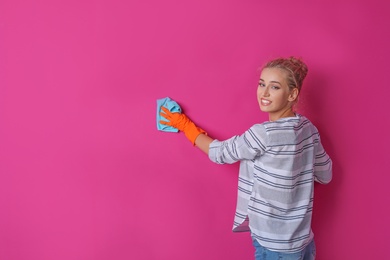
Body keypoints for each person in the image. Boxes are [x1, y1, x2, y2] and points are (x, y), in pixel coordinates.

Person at [160, 57, 332, 260]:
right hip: (302, 242)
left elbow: (220, 153)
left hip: (273, 245)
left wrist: (185, 126)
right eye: (261, 84)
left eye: (275, 87)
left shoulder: (263, 134)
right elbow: (325, 174)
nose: (264, 93)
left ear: (292, 94)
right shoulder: (308, 129)